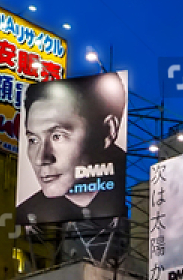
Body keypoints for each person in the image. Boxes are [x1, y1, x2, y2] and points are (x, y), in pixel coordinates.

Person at [16, 72, 127, 225]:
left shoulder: (133, 196)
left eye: (57, 136)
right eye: (33, 140)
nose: (41, 158)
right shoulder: (27, 212)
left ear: (108, 131)